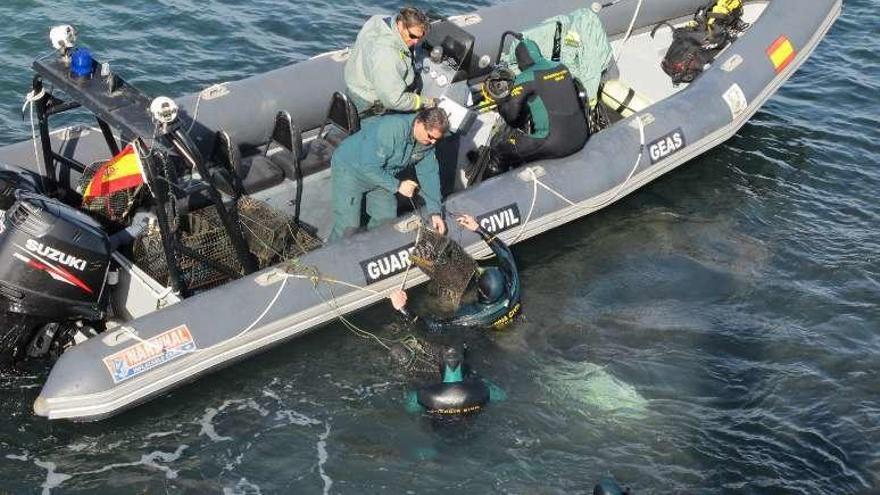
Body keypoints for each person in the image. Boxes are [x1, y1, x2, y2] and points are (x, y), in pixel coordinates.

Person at [329, 107, 448, 240]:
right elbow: (368, 167)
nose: (433, 142)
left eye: (437, 139)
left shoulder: (427, 143)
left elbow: (429, 175)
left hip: (383, 175)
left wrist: (435, 212)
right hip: (351, 169)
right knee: (348, 227)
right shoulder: (393, 128)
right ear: (419, 122)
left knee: (386, 219)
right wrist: (398, 186)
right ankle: (326, 258)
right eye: (430, 136)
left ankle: (369, 248)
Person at [389, 213, 521, 331]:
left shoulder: (472, 316)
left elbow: (431, 327)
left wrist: (402, 309)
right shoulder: (513, 285)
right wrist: (478, 228)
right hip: (514, 316)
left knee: (435, 303)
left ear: (481, 293)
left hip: (494, 331)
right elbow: (505, 252)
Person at [487, 38, 590, 173]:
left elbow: (511, 117)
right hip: (581, 136)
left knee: (500, 150)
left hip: (553, 143)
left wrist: (500, 104)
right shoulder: (561, 67)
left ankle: (491, 188)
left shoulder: (525, 78)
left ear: (520, 60)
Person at [344, 6, 434, 114]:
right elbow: (394, 100)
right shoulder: (387, 55)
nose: (416, 42)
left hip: (356, 85)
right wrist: (423, 101)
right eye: (412, 36)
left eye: (421, 37)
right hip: (368, 101)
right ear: (400, 24)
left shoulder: (378, 20)